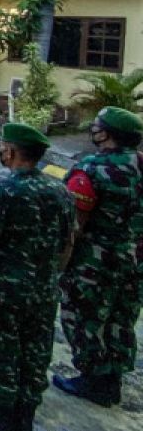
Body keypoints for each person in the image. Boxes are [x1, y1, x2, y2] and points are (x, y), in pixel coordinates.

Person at [0, 123, 75, 431]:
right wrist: (50, 275)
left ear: (11, 152)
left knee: (2, 348)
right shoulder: (61, 191)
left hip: (5, 289)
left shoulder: (2, 191)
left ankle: (1, 411)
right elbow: (68, 243)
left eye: (3, 147)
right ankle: (25, 412)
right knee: (36, 348)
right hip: (43, 288)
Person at [54, 106, 143, 407]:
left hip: (93, 263)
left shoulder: (91, 169)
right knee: (121, 318)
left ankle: (94, 380)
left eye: (98, 125)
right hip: (134, 261)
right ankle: (112, 377)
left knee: (83, 318)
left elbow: (73, 227)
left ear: (106, 134)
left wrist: (59, 267)